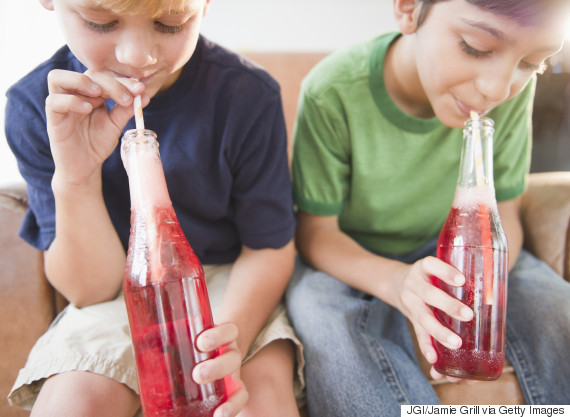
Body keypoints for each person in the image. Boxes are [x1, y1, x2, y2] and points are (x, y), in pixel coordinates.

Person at [5, 0, 304, 416]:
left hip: (229, 283)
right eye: (100, 21)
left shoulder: (247, 96)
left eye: (169, 23)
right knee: (75, 401)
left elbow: (269, 249)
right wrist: (76, 178)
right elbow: (90, 291)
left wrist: (222, 344)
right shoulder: (37, 108)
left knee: (261, 400)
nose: (136, 56)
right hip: (110, 298)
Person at [286, 0, 570, 415]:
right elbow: (315, 233)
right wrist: (399, 283)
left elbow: (505, 214)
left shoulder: (507, 96)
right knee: (323, 319)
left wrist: (476, 291)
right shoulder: (332, 91)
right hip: (354, 257)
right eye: (475, 47)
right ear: (407, 9)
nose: (498, 88)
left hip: (466, 258)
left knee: (556, 309)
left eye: (533, 63)